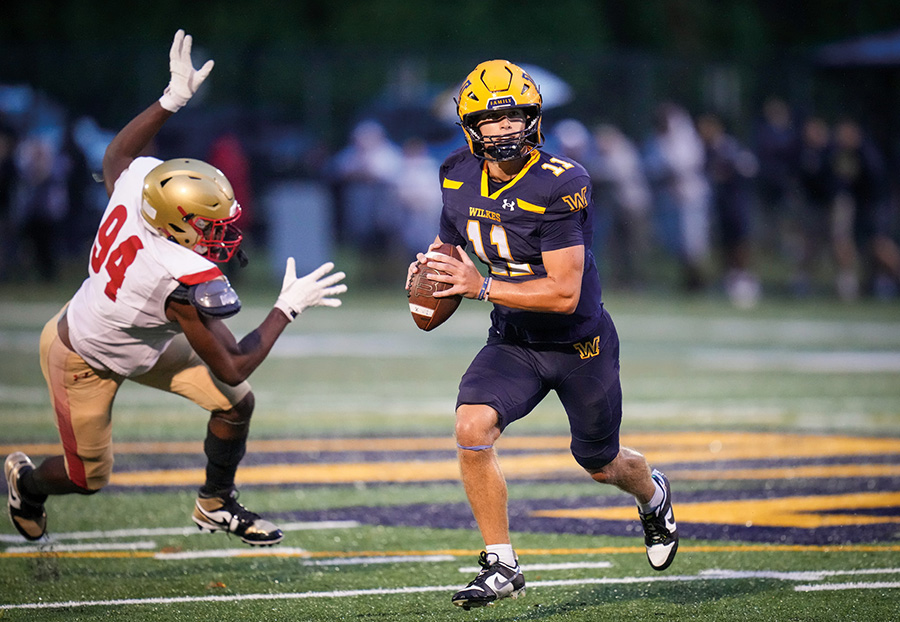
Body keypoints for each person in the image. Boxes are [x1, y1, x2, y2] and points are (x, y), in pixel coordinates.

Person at [4, 30, 347, 546]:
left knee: (236, 403)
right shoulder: (173, 276)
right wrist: (286, 308)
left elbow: (116, 156)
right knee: (88, 477)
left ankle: (215, 502)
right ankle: (25, 483)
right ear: (178, 227)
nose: (223, 234)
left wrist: (169, 101)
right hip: (84, 356)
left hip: (143, 339)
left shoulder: (143, 189)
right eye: (211, 226)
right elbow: (233, 361)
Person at [406, 60, 678, 610]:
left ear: (534, 119)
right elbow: (451, 247)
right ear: (469, 126)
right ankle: (501, 563)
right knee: (471, 425)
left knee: (601, 464)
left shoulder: (563, 181)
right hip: (515, 341)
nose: (505, 128)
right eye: (492, 118)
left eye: (516, 117)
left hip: (580, 347)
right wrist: (432, 271)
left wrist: (479, 287)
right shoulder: (455, 172)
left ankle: (651, 493)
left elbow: (563, 293)